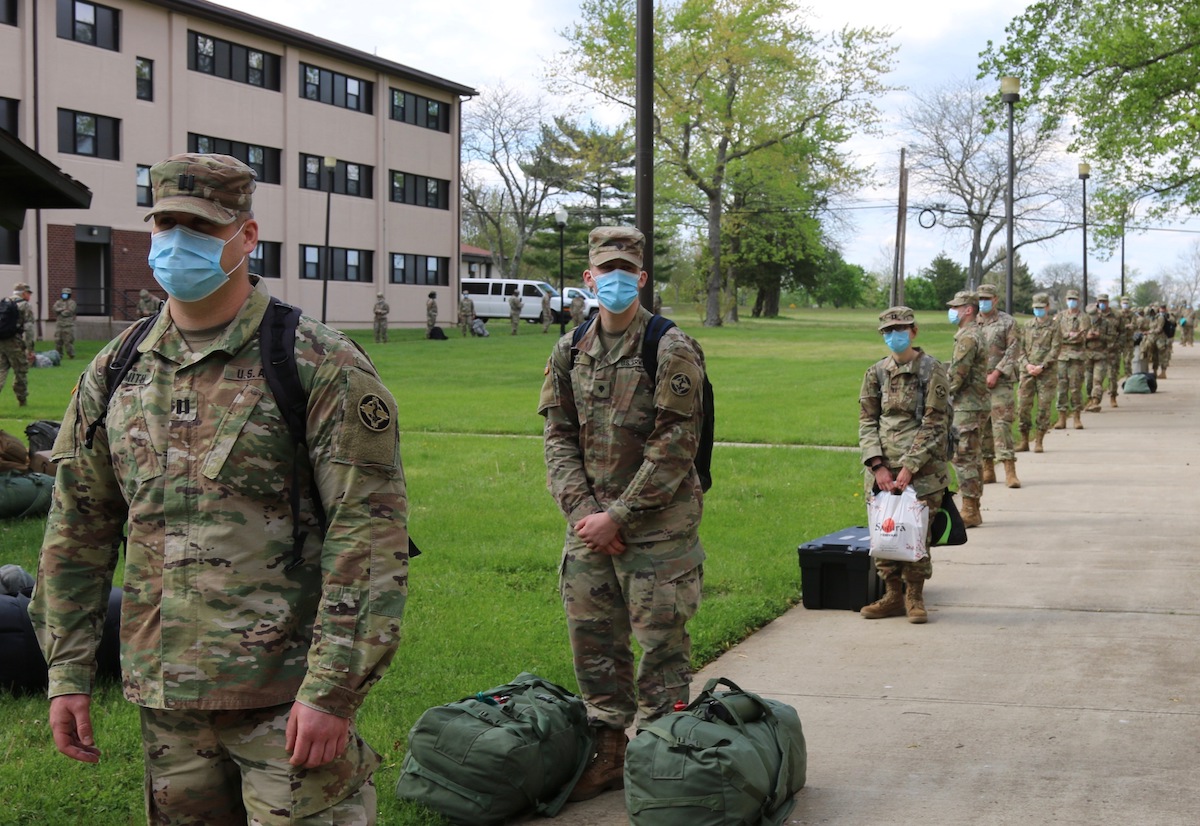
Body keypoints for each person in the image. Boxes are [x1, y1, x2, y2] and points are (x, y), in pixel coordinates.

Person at [29, 153, 409, 825]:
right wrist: (68, 672)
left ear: (247, 236)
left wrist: (332, 692)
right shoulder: (117, 370)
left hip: (285, 703)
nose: (179, 242)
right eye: (166, 224)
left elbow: (369, 538)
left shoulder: (316, 362)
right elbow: (77, 531)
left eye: (202, 227)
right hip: (167, 704)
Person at [539, 226, 706, 802]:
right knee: (594, 643)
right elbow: (557, 437)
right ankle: (609, 751)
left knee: (661, 647)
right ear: (588, 279)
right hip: (591, 528)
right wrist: (587, 512)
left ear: (641, 278)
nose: (613, 280)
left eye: (625, 270)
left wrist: (622, 515)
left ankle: (665, 758)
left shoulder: (670, 347)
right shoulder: (568, 349)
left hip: (656, 529)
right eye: (603, 271)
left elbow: (675, 446)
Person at [858, 306, 950, 623]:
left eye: (901, 329)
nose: (894, 336)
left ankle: (914, 595)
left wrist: (910, 466)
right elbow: (867, 422)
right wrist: (877, 466)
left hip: (923, 472)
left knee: (915, 534)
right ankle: (892, 595)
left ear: (913, 331)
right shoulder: (875, 373)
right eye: (888, 331)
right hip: (884, 472)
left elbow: (935, 423)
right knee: (885, 533)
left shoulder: (931, 370)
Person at [945, 291, 988, 528]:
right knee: (972, 456)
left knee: (963, 457)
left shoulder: (968, 338)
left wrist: (939, 395)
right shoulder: (972, 334)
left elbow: (957, 376)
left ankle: (970, 509)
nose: (953, 311)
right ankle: (974, 507)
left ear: (968, 310)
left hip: (968, 406)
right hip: (975, 404)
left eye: (956, 307)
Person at [974, 284, 1022, 489]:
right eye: (980, 298)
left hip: (1000, 381)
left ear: (995, 299)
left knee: (1001, 426)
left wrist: (996, 372)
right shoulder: (972, 322)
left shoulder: (1007, 322)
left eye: (987, 298)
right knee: (982, 427)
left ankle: (1009, 470)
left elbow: (1013, 350)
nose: (983, 301)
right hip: (977, 383)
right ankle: (988, 468)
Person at [1017, 293, 1061, 453]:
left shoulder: (1054, 327)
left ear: (1047, 308)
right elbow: (1020, 347)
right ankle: (1024, 440)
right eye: (1035, 308)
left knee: (1043, 408)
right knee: (1023, 407)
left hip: (1046, 373)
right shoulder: (1027, 325)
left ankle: (1039, 440)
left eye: (1041, 308)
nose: (1038, 311)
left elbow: (1055, 349)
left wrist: (1042, 366)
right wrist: (1027, 365)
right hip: (1027, 371)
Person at [1054, 288, 1091, 430]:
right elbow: (1056, 334)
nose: (1072, 302)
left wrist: (1068, 336)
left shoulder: (1084, 317)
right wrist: (1069, 335)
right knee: (1062, 388)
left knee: (1075, 388)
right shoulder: (1060, 316)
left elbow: (1081, 336)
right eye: (1069, 299)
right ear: (1066, 300)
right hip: (1062, 357)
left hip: (1077, 357)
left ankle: (1076, 417)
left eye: (1074, 299)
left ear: (1079, 301)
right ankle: (1061, 418)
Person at [0, 281, 31, 406]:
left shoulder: (4, 302)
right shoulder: (24, 305)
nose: (29, 296)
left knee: (1, 370)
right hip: (14, 342)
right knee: (20, 371)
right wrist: (30, 348)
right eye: (28, 293)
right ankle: (22, 400)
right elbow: (29, 329)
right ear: (24, 293)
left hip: (1, 341)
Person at [53, 287, 77, 359]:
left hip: (68, 325)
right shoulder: (58, 302)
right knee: (58, 341)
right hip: (59, 325)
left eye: (66, 294)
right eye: (64, 294)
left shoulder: (72, 303)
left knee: (68, 341)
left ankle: (71, 355)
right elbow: (54, 309)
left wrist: (60, 311)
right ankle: (59, 355)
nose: (65, 295)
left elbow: (68, 312)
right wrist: (62, 309)